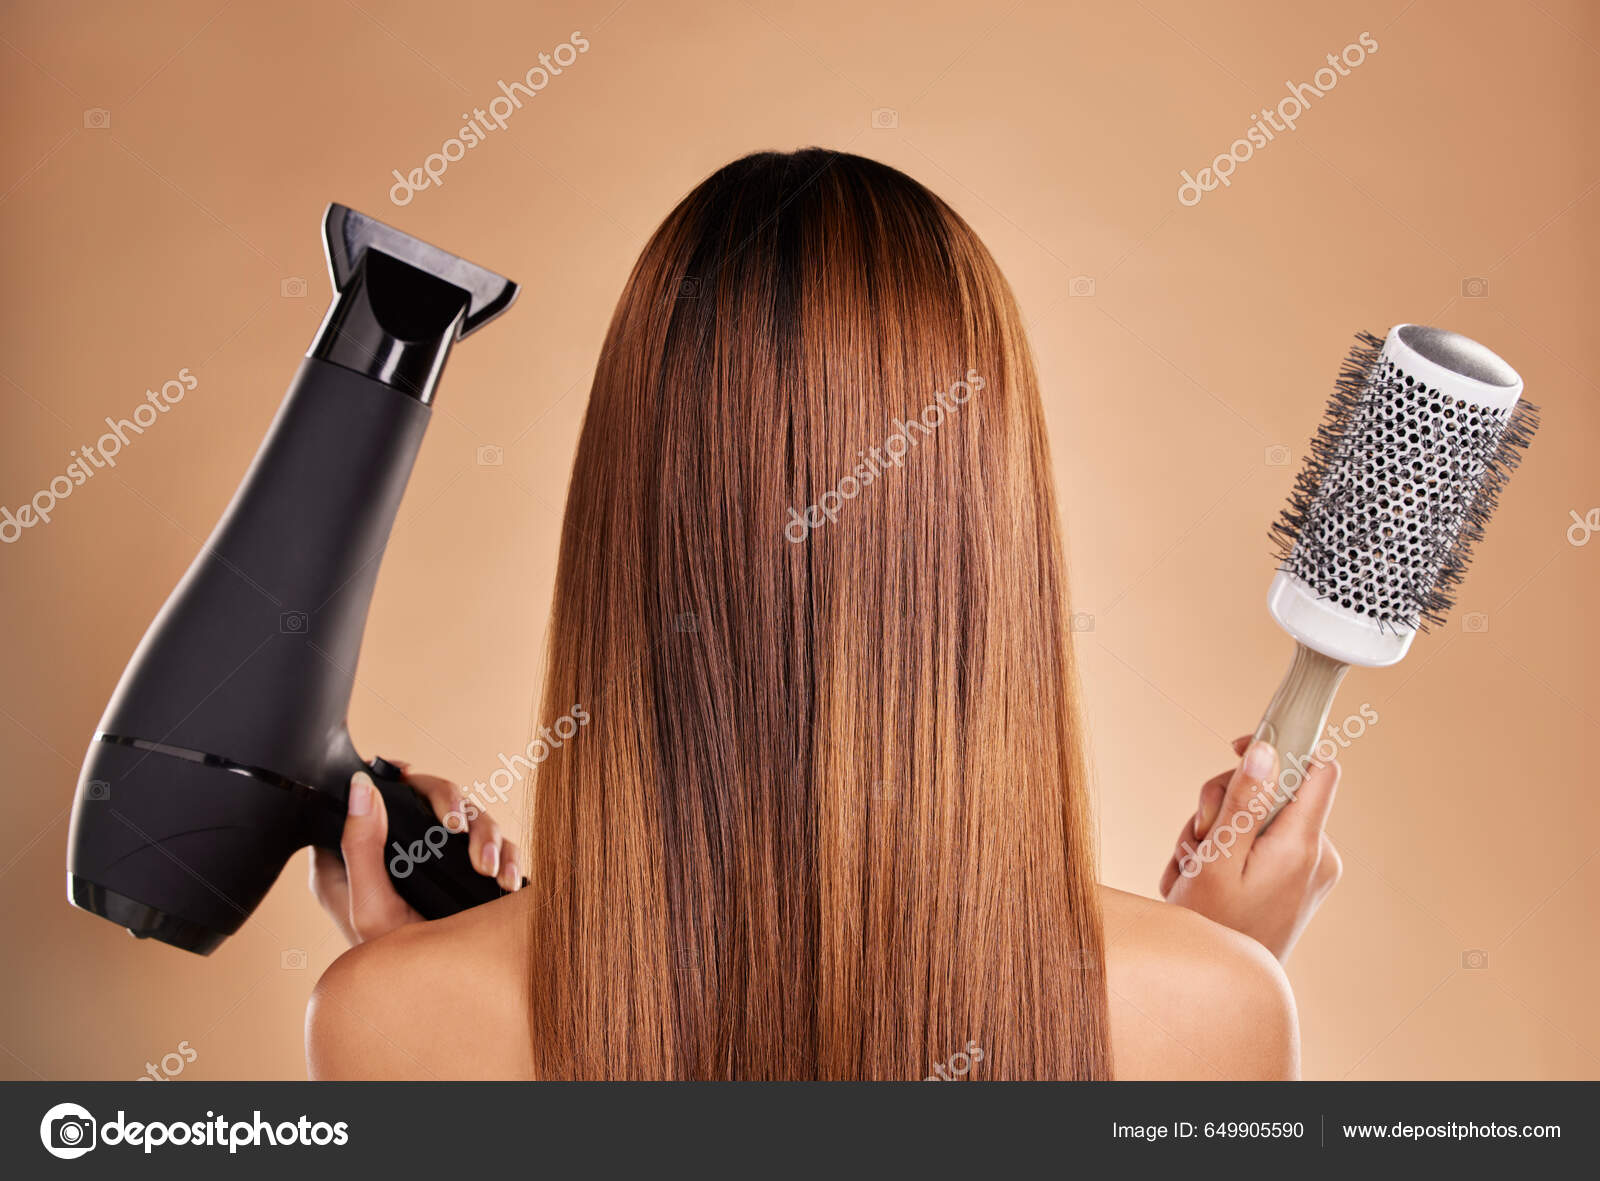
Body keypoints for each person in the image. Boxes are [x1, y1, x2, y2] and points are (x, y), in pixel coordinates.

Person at [306, 150, 1342, 1080]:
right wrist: (1212, 991)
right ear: (991, 530)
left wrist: (428, 1011)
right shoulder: (1211, 1010)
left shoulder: (389, 1018)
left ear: (619, 522)